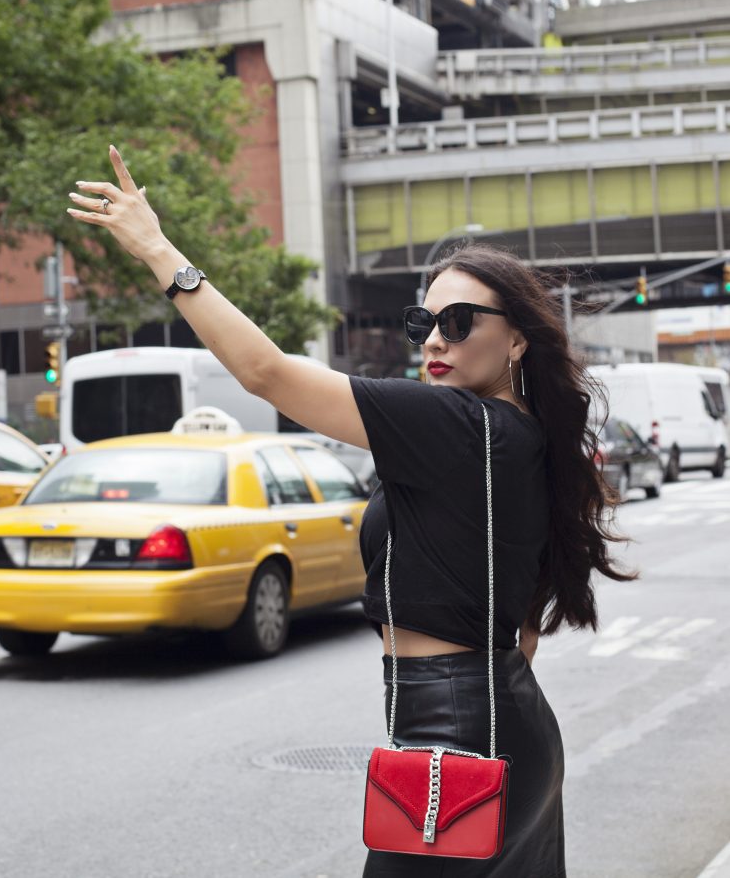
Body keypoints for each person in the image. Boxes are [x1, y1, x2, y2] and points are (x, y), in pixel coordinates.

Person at [68, 147, 635, 877]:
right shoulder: (518, 435)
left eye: (460, 320)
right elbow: (522, 623)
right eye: (424, 321)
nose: (436, 338)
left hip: (455, 739)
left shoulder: (460, 424)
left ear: (518, 338)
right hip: (506, 722)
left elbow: (266, 372)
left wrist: (158, 250)